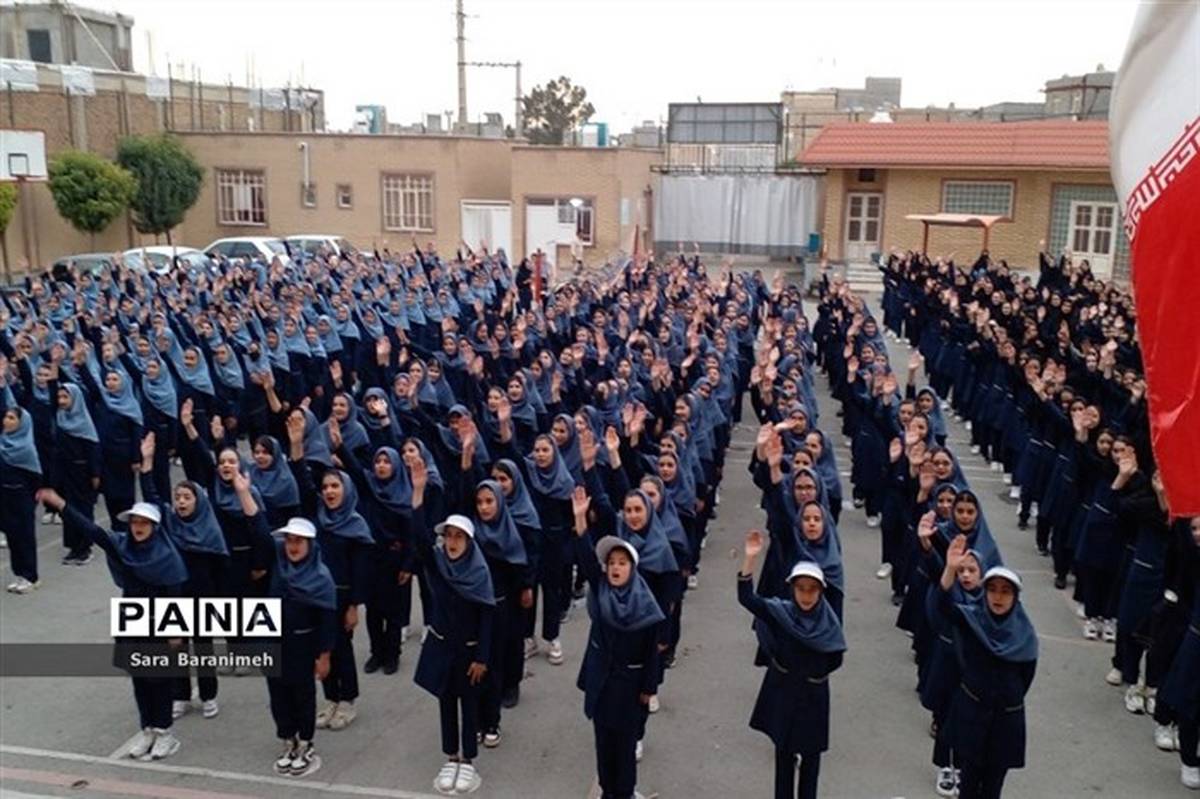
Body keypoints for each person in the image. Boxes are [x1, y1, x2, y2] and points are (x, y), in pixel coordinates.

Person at [36, 489, 187, 761]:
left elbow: (176, 598)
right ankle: (148, 730)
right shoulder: (122, 546)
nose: (138, 527)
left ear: (155, 527)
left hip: (159, 628)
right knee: (139, 680)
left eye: (144, 523)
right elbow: (91, 530)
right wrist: (60, 504)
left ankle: (165, 733)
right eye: (134, 522)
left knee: (160, 681)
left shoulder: (168, 557)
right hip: (131, 623)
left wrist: (175, 633)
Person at [737, 530, 846, 799]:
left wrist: (813, 676)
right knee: (783, 757)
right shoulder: (781, 613)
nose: (806, 595)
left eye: (812, 589)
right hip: (783, 693)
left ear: (821, 591)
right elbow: (748, 599)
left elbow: (835, 657)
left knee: (811, 761)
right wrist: (750, 559)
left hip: (813, 698)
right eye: (801, 588)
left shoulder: (828, 623)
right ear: (792, 589)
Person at [409, 453, 495, 795]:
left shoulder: (479, 573)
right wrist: (417, 494)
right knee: (446, 702)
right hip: (443, 648)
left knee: (468, 705)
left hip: (469, 653)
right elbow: (419, 538)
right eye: (449, 536)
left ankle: (468, 759)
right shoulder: (438, 565)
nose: (453, 542)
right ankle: (451, 755)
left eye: (459, 537)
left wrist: (482, 657)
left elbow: (487, 616)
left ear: (469, 542)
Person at [571, 486, 664, 799]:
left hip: (629, 689)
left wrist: (648, 688)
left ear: (633, 569)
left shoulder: (645, 605)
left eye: (622, 563)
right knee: (603, 747)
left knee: (624, 750)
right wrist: (580, 520)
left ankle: (624, 792)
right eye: (611, 563)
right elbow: (586, 558)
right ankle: (607, 791)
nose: (615, 568)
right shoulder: (601, 592)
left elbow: (651, 652)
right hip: (602, 685)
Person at [935, 535, 1037, 799]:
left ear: (1015, 596)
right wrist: (950, 569)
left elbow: (1026, 676)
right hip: (972, 714)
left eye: (1005, 591)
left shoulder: (1024, 633)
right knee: (968, 783)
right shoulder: (973, 619)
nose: (998, 597)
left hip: (1006, 721)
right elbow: (942, 606)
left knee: (993, 787)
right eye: (992, 589)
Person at [264, 517, 337, 778]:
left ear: (311, 545)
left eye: (299, 541)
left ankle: (306, 743)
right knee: (278, 697)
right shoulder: (278, 569)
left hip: (303, 647)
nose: (293, 547)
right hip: (275, 644)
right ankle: (288, 739)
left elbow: (327, 621)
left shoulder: (321, 577)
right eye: (289, 541)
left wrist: (324, 655)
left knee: (303, 697)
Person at [1, 404, 42, 592]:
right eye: (6, 417)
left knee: (25, 537)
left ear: (22, 423)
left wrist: (29, 499)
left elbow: (35, 478)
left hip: (22, 499)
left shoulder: (26, 448)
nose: (6, 421)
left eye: (12, 418)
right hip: (5, 498)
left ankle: (31, 577)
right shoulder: (3, 442)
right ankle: (19, 574)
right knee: (13, 538)